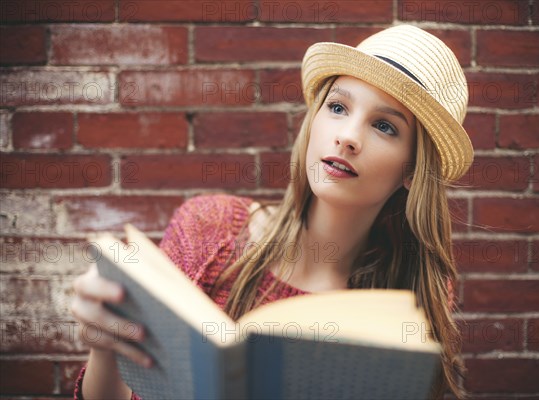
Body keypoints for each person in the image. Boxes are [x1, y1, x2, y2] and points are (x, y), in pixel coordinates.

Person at [71, 24, 473, 399]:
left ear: (413, 169)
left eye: (385, 126)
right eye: (337, 107)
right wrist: (106, 346)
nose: (348, 137)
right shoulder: (209, 229)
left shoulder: (408, 303)